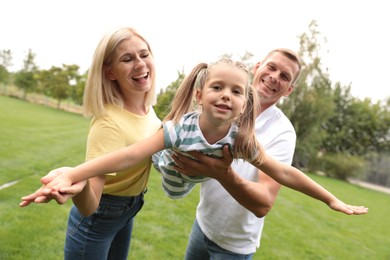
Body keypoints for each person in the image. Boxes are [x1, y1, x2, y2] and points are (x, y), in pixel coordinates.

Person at [21, 57, 367, 221]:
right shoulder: (179, 130)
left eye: (235, 91)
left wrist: (330, 199)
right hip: (166, 165)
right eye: (217, 87)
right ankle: (74, 170)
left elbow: (285, 173)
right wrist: (74, 173)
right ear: (200, 96)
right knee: (149, 143)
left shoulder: (241, 139)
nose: (226, 95)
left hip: (184, 185)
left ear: (244, 103)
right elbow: (128, 157)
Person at [172, 48, 361, 259]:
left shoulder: (281, 132)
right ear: (257, 67)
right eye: (271, 67)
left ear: (289, 89)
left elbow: (266, 200)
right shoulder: (224, 109)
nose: (274, 77)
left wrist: (329, 199)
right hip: (203, 224)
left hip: (234, 247)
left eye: (284, 76)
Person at [20, 27, 161, 260]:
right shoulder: (109, 123)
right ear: (110, 72)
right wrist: (81, 183)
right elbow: (89, 206)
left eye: (144, 54)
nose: (140, 63)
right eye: (127, 59)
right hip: (99, 219)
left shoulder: (148, 111)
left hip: (128, 210)